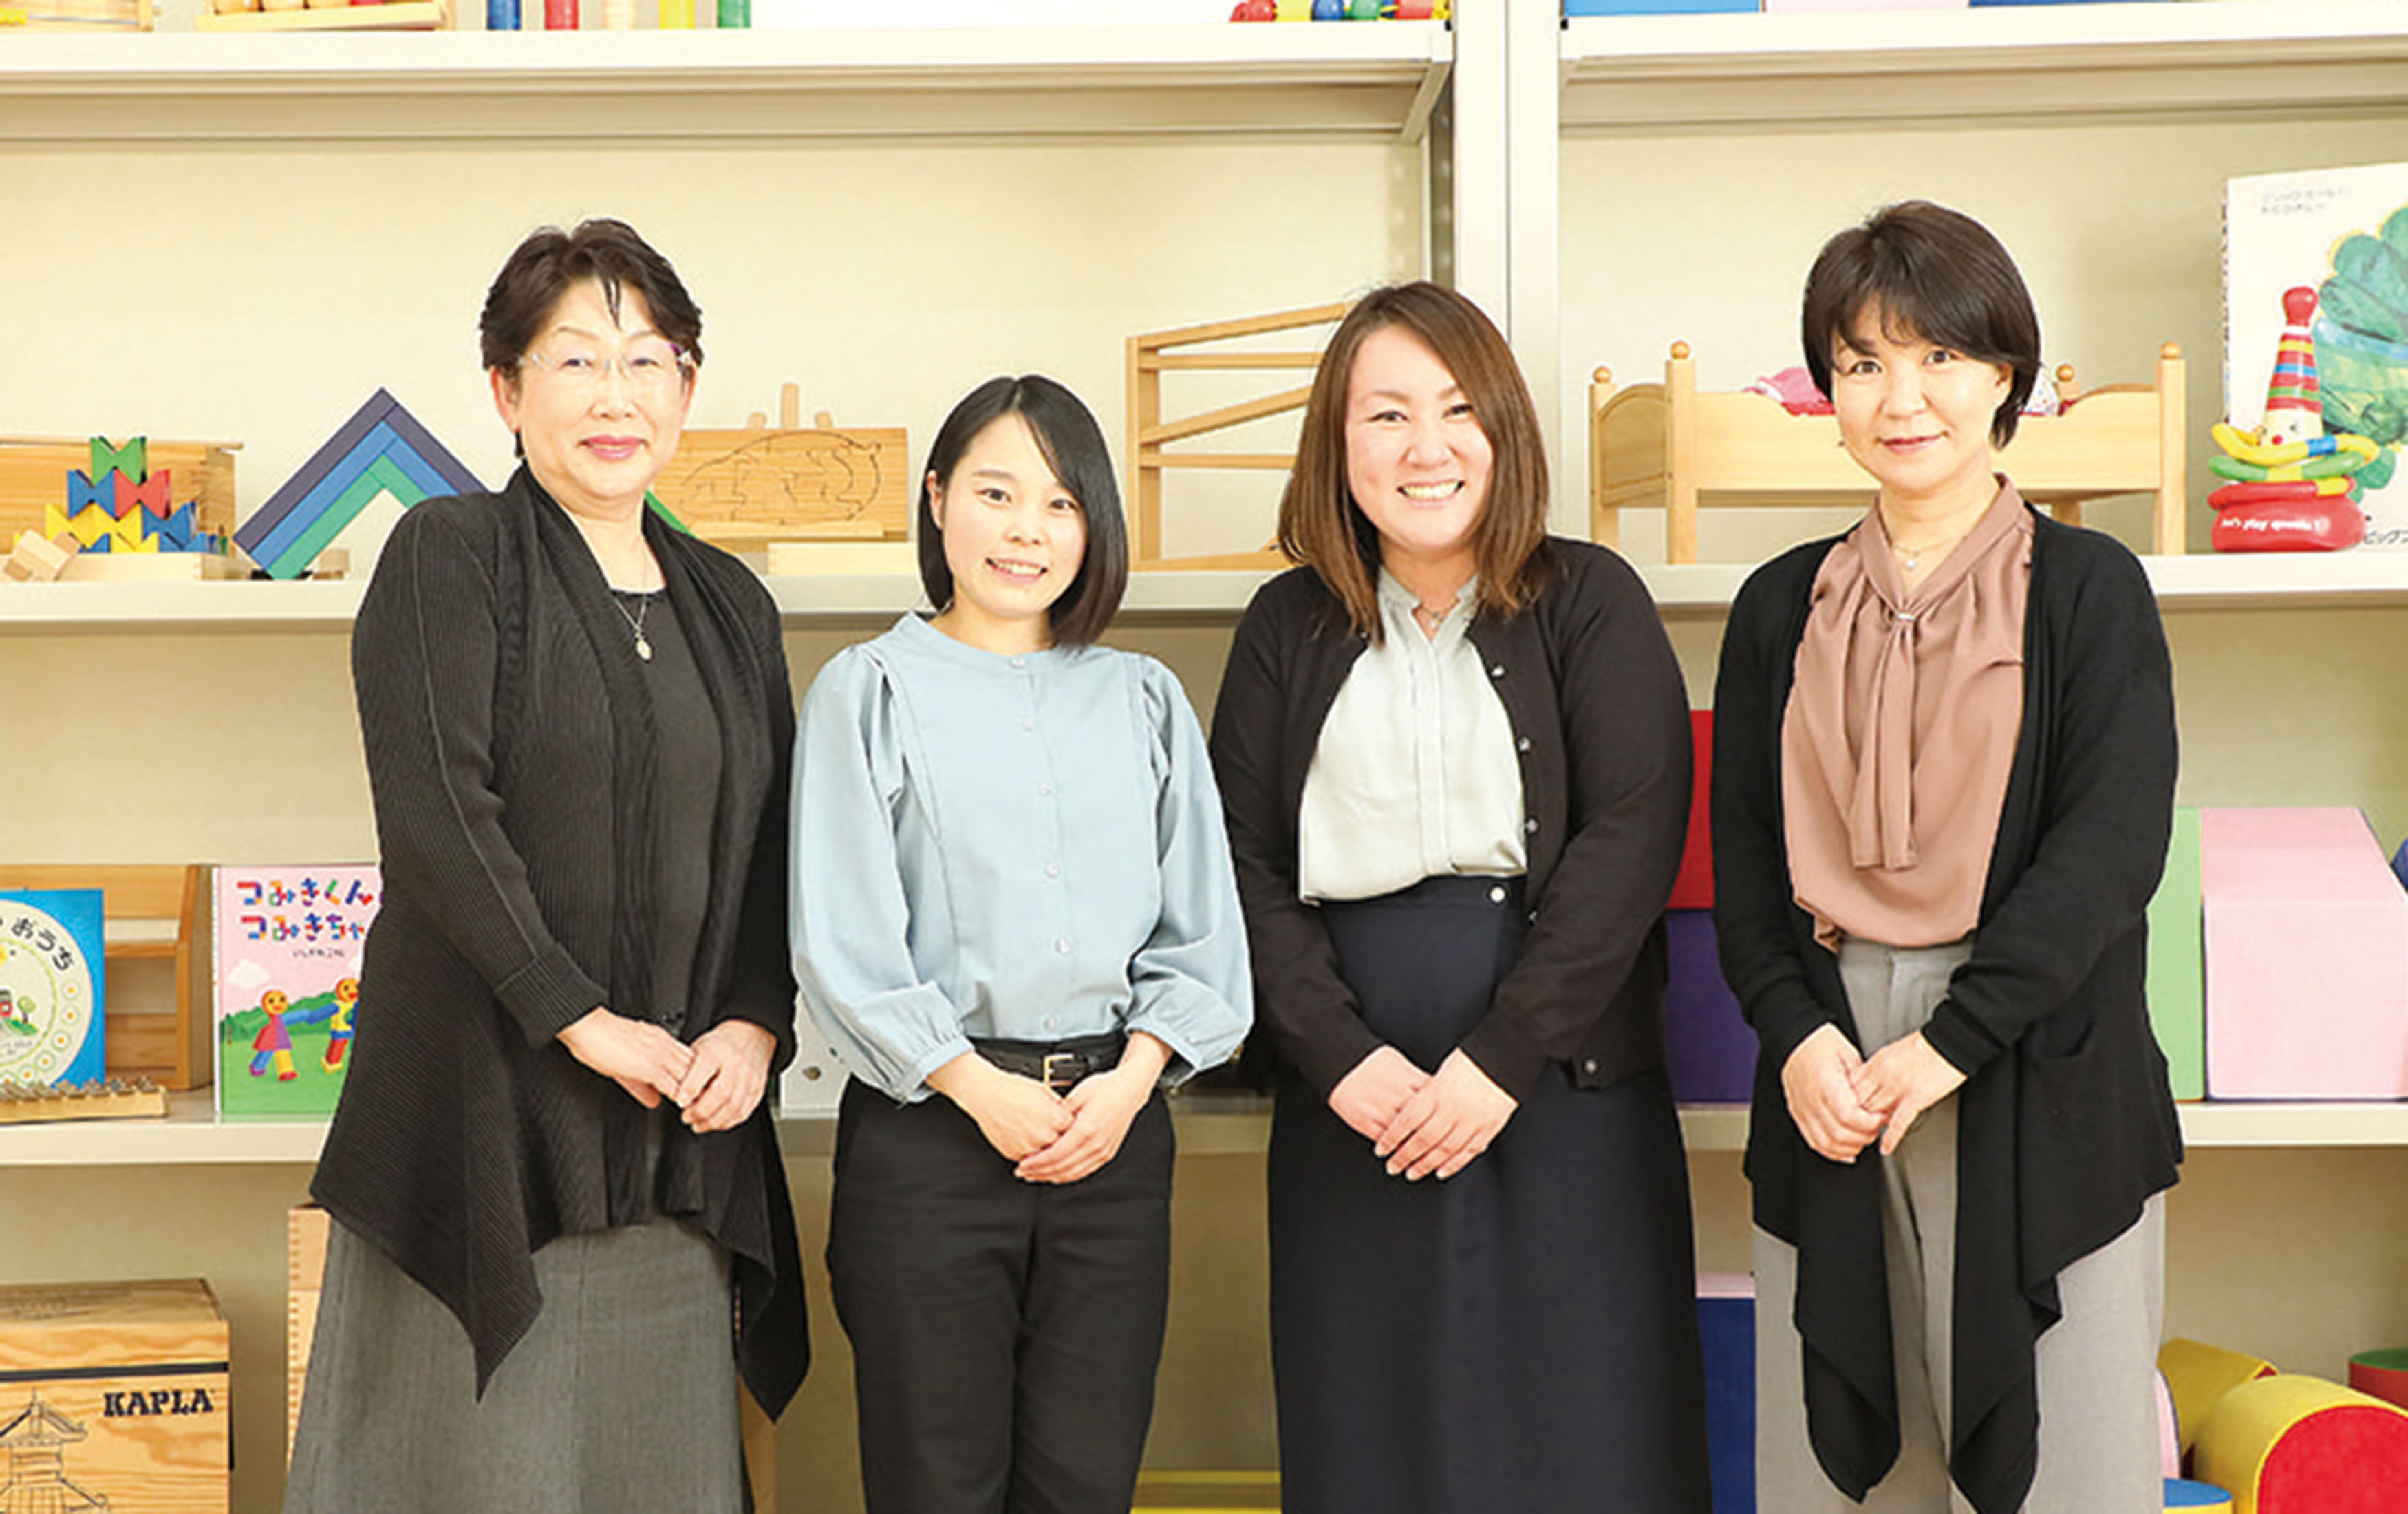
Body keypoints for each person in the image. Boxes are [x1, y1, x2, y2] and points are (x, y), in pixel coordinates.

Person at [288, 218, 806, 1513]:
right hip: (483, 1126)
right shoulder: (449, 555)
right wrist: (581, 1020)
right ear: (507, 391)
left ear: (687, 386)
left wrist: (754, 1023)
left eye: (646, 360)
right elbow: (437, 817)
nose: (614, 396)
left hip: (676, 1133)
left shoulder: (732, 604)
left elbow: (773, 846)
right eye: (575, 361)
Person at [1209, 281, 1712, 1513]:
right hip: (1353, 1095)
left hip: (1566, 1081)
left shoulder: (1591, 599)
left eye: (1456, 410)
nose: (1424, 447)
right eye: (1385, 415)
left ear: (1505, 432)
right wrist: (1338, 1058)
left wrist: (1501, 1059)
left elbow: (1630, 842)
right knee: (1374, 1439)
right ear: (1337, 444)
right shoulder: (1284, 625)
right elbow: (1236, 861)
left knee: (1589, 1439)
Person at [1712, 200, 2182, 1514]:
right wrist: (1798, 1039)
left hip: (2035, 1057)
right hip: (1828, 1068)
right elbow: (1745, 862)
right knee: (1847, 1473)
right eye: (1862, 362)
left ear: (2005, 376)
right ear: (1829, 391)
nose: (1902, 397)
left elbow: (2109, 852)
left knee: (2069, 1466)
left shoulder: (2089, 588)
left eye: (1940, 357)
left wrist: (1950, 1044)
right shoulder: (1776, 606)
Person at [789, 374, 1252, 1514]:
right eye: (996, 494)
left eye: (1061, 503)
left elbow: (1204, 935)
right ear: (938, 501)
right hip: (930, 1142)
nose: (1027, 531)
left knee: (1086, 1484)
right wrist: (977, 1089)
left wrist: (1131, 1083)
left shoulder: (1146, 698)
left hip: (1113, 1139)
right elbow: (842, 936)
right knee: (935, 1484)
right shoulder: (867, 690)